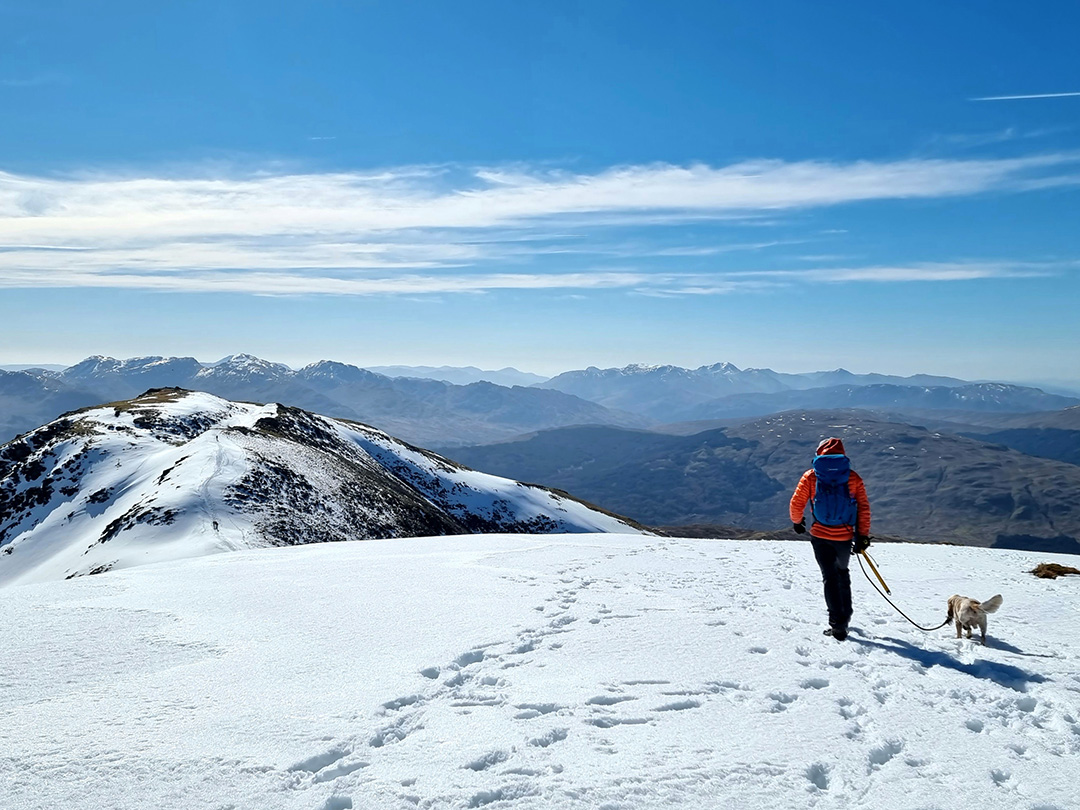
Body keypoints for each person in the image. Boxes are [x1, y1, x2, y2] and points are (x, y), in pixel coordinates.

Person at [789, 437, 871, 641]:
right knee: (842, 573)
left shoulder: (811, 476)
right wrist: (862, 536)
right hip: (844, 536)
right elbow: (863, 509)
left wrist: (798, 522)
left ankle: (838, 627)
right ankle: (845, 618)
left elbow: (796, 503)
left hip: (820, 535)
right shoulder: (852, 478)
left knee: (829, 577)